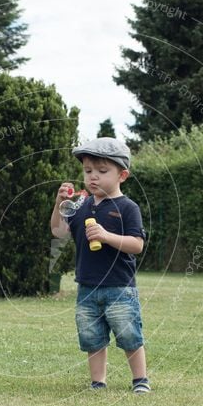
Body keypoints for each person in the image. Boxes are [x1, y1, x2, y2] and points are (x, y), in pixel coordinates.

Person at [50, 137, 151, 393]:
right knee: (92, 337)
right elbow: (58, 231)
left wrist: (106, 236)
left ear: (122, 175)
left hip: (119, 287)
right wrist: (59, 204)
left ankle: (140, 380)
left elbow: (136, 245)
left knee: (129, 335)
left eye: (102, 171)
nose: (93, 177)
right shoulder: (81, 205)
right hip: (87, 287)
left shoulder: (128, 207)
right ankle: (98, 382)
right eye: (88, 171)